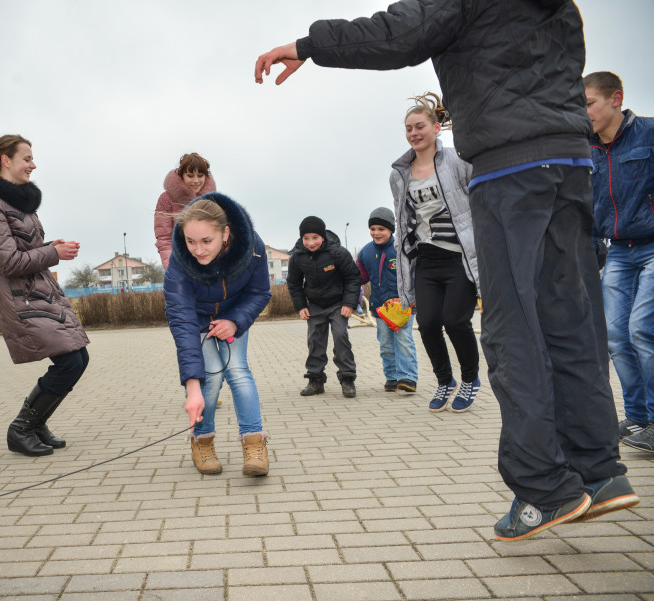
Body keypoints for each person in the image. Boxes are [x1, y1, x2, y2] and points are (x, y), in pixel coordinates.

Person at [254, 0, 638, 541]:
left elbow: (397, 33)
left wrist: (310, 45)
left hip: (510, 170)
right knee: (571, 320)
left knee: (511, 332)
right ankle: (601, 473)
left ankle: (545, 488)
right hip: (571, 161)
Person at [0, 135, 90, 457]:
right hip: (20, 298)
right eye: (26, 158)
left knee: (77, 359)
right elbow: (8, 262)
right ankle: (21, 429)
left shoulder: (18, 204)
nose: (33, 164)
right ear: (5, 160)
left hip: (38, 293)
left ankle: (36, 424)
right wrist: (53, 252)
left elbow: (25, 250)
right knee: (69, 362)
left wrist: (51, 247)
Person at [163, 193, 271, 477]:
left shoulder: (253, 247)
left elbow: (260, 292)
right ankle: (203, 441)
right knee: (209, 378)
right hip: (197, 321)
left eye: (206, 241)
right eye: (190, 241)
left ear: (226, 233)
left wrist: (235, 322)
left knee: (237, 369)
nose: (197, 250)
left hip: (233, 316)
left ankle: (254, 442)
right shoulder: (179, 262)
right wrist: (191, 387)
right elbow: (181, 319)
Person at [391, 93, 481, 413]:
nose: (414, 133)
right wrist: (404, 267)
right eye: (408, 129)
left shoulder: (457, 160)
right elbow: (403, 223)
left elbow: (478, 199)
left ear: (436, 128)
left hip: (458, 257)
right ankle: (445, 381)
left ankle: (470, 378)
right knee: (428, 323)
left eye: (420, 127)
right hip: (426, 259)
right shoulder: (399, 174)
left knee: (455, 321)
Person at [584, 71, 654, 451]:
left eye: (589, 103)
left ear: (615, 99)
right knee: (616, 335)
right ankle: (639, 418)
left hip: (653, 246)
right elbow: (590, 207)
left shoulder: (649, 133)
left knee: (643, 329)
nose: (585, 112)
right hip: (617, 252)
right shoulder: (588, 149)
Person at [287, 216, 360, 398]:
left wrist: (349, 304)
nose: (311, 243)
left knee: (340, 336)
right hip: (315, 305)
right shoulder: (297, 256)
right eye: (306, 238)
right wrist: (301, 306)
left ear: (323, 237)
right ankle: (315, 380)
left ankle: (347, 379)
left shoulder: (337, 253)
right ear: (301, 239)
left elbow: (352, 277)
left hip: (338, 304)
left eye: (315, 238)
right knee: (315, 341)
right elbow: (294, 283)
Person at [357, 208, 419, 394]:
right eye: (373, 228)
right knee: (385, 343)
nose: (376, 233)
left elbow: (414, 274)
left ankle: (408, 377)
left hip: (403, 306)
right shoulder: (365, 252)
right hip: (380, 308)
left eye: (381, 229)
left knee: (404, 340)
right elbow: (359, 277)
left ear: (391, 230)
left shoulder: (402, 248)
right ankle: (392, 377)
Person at [154, 153, 217, 269]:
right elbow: (164, 239)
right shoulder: (166, 199)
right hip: (181, 265)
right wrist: (172, 268)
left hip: (210, 265)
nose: (196, 180)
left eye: (200, 175)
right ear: (182, 175)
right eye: (190, 175)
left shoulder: (213, 199)